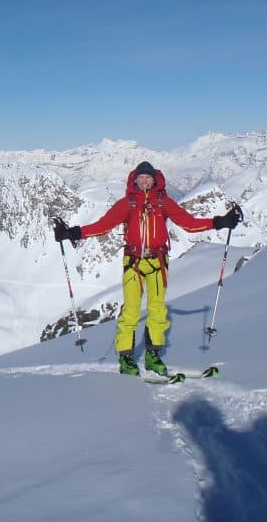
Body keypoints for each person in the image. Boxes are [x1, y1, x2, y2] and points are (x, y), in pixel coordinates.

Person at [54, 161, 242, 376]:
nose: (144, 181)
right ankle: (126, 358)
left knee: (157, 309)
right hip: (133, 262)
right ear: (135, 180)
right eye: (141, 178)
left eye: (148, 177)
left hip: (158, 262)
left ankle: (153, 355)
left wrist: (220, 222)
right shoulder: (127, 203)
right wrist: (72, 233)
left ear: (155, 180)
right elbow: (103, 226)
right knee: (131, 310)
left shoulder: (163, 202)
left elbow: (189, 223)